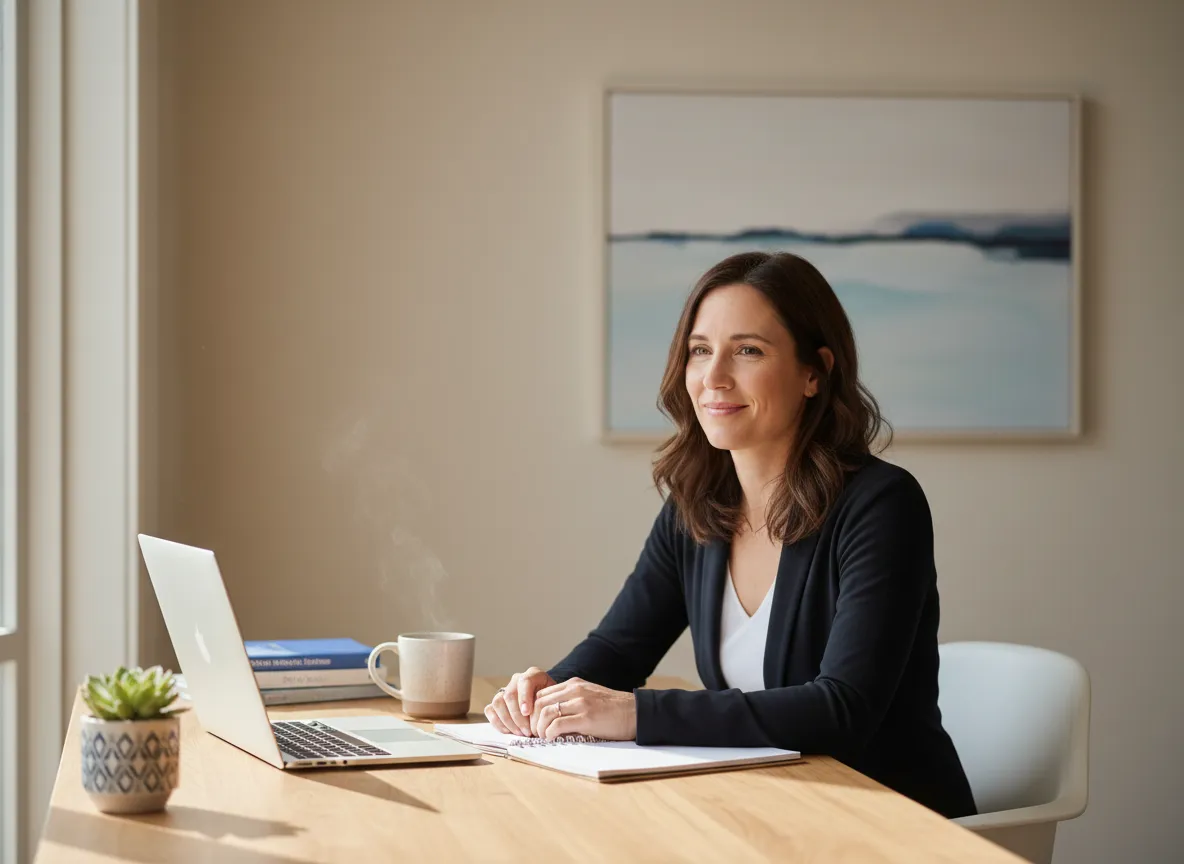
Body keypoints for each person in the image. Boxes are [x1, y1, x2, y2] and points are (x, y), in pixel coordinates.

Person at [484, 251, 976, 819]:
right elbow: (620, 648)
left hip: (890, 824)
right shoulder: (697, 507)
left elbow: (843, 710)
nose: (713, 378)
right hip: (772, 812)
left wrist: (636, 713)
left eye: (748, 351)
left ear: (814, 372)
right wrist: (546, 693)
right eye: (699, 351)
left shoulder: (882, 505)